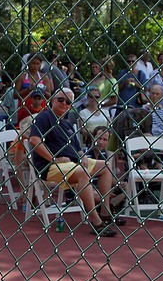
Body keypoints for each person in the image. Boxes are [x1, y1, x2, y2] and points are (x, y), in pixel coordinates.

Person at [28, 89, 120, 236]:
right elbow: (34, 140)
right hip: (51, 167)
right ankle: (96, 222)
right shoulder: (44, 117)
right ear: (53, 100)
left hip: (74, 164)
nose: (64, 104)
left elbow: (77, 148)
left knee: (105, 165)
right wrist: (54, 159)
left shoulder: (67, 124)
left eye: (68, 102)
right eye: (61, 100)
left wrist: (82, 155)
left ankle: (105, 212)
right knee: (83, 173)